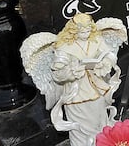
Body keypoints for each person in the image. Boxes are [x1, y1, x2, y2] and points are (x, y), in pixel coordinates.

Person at [50, 13, 122, 146]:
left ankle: (103, 142)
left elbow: (109, 56)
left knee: (100, 121)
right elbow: (57, 74)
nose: (85, 33)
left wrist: (103, 63)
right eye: (82, 31)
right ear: (73, 30)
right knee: (81, 129)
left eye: (88, 30)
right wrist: (71, 71)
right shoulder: (63, 47)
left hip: (96, 86)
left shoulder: (95, 40)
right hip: (76, 92)